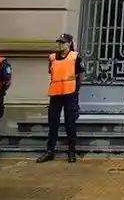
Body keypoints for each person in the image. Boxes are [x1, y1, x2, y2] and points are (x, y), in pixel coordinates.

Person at [37, 33, 85, 163]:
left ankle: (71, 151)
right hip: (56, 94)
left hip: (70, 94)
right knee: (53, 124)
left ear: (69, 44)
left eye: (63, 42)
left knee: (70, 124)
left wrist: (75, 90)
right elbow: (52, 74)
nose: (60, 44)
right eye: (59, 42)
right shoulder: (52, 57)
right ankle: (50, 151)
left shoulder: (75, 57)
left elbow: (80, 75)